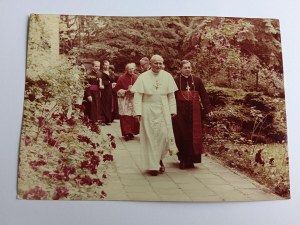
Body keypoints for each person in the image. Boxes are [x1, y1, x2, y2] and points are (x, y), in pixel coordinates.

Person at [131, 55, 178, 176]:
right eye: (156, 63)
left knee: (164, 137)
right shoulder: (143, 77)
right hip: (148, 109)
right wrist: (138, 112)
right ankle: (153, 165)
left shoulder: (167, 76)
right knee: (150, 137)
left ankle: (159, 158)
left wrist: (173, 109)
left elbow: (171, 96)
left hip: (163, 109)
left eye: (160, 63)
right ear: (150, 64)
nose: (158, 66)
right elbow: (138, 96)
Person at [172, 60, 212, 169]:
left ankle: (192, 160)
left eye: (189, 67)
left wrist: (208, 109)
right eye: (185, 67)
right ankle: (183, 159)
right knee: (182, 135)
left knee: (193, 135)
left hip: (194, 111)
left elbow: (204, 95)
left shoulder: (197, 80)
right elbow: (171, 97)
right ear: (180, 69)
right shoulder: (175, 80)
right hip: (179, 110)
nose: (187, 69)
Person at [113, 63, 140, 141]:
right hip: (125, 100)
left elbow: (140, 88)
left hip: (134, 99)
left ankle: (132, 132)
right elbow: (116, 89)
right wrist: (125, 91)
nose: (131, 70)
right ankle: (126, 133)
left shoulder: (137, 77)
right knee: (125, 117)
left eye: (132, 68)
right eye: (129, 69)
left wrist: (135, 92)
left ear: (134, 69)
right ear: (126, 70)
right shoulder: (121, 78)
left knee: (133, 117)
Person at [100, 60, 117, 125]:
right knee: (103, 104)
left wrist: (108, 76)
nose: (106, 66)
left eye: (108, 65)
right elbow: (101, 81)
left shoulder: (110, 72)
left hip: (109, 90)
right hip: (103, 90)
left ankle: (108, 120)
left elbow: (113, 79)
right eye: (105, 65)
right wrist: (107, 82)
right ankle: (104, 120)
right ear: (103, 65)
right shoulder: (100, 72)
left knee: (109, 104)